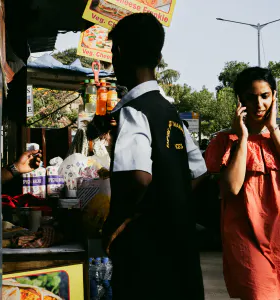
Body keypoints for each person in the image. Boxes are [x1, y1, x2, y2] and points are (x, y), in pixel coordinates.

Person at [102, 13, 204, 300]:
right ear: (158, 58)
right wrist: (170, 201)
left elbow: (139, 177)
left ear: (118, 53)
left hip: (146, 258)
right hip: (180, 249)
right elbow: (199, 170)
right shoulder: (169, 112)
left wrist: (123, 219)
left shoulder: (133, 111)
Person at [205, 67, 280, 300]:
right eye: (251, 96)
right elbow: (232, 187)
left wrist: (273, 128)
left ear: (274, 97)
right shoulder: (225, 140)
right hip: (247, 236)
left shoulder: (276, 136)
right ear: (240, 100)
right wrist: (243, 138)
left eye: (265, 96)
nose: (259, 103)